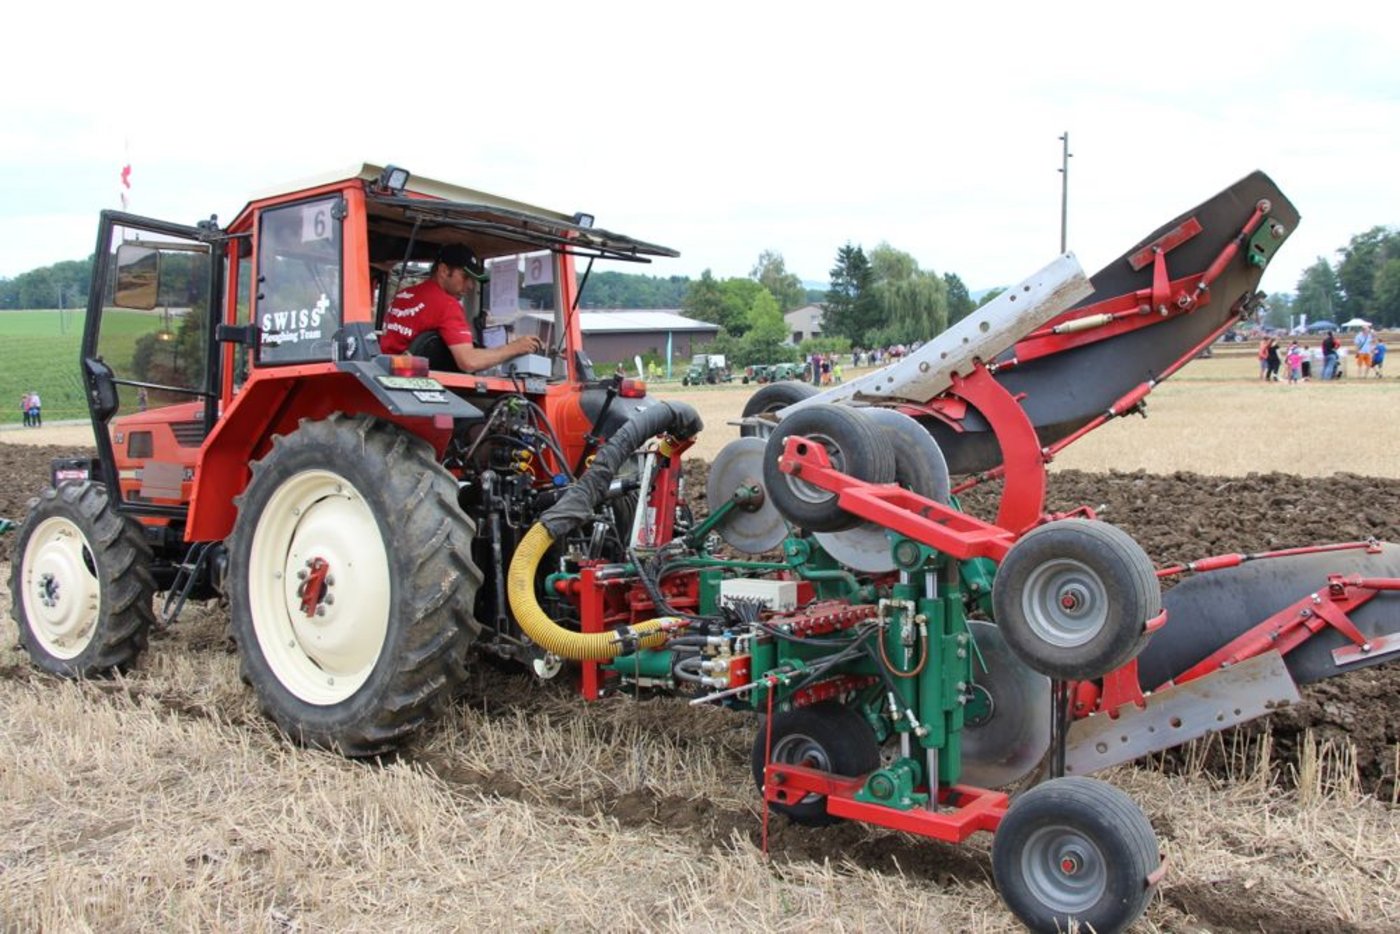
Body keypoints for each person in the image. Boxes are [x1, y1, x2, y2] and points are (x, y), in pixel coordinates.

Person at [379, 244, 541, 372]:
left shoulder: (403, 295)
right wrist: (514, 348)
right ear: (443, 271)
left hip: (384, 373)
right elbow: (469, 361)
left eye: (473, 280)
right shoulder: (447, 304)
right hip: (412, 383)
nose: (470, 285)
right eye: (466, 277)